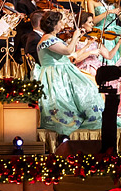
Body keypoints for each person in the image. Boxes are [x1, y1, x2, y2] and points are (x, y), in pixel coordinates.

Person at [36, 11, 105, 141]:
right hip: (54, 74)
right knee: (83, 89)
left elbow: (71, 51)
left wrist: (77, 38)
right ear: (54, 24)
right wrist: (74, 37)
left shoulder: (52, 38)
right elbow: (67, 50)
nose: (63, 23)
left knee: (88, 86)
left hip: (61, 71)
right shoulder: (48, 39)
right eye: (60, 21)